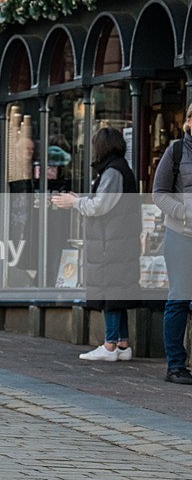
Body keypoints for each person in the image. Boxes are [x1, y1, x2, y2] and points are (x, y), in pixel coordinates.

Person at [52, 128, 140, 362]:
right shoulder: (120, 169)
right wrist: (78, 200)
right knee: (117, 291)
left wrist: (75, 202)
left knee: (110, 290)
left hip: (110, 242)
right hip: (118, 240)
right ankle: (122, 343)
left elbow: (100, 206)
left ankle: (110, 345)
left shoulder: (113, 172)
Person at [152, 102, 192, 385]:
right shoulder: (176, 151)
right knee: (179, 297)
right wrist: (186, 213)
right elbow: (159, 194)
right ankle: (176, 366)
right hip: (181, 236)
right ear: (189, 121)